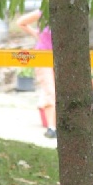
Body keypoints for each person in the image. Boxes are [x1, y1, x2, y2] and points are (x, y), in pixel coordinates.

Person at [17, 9, 57, 139]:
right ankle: (51, 127)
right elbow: (21, 22)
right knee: (50, 90)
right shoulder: (43, 12)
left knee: (58, 92)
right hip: (43, 57)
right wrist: (35, 34)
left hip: (62, 58)